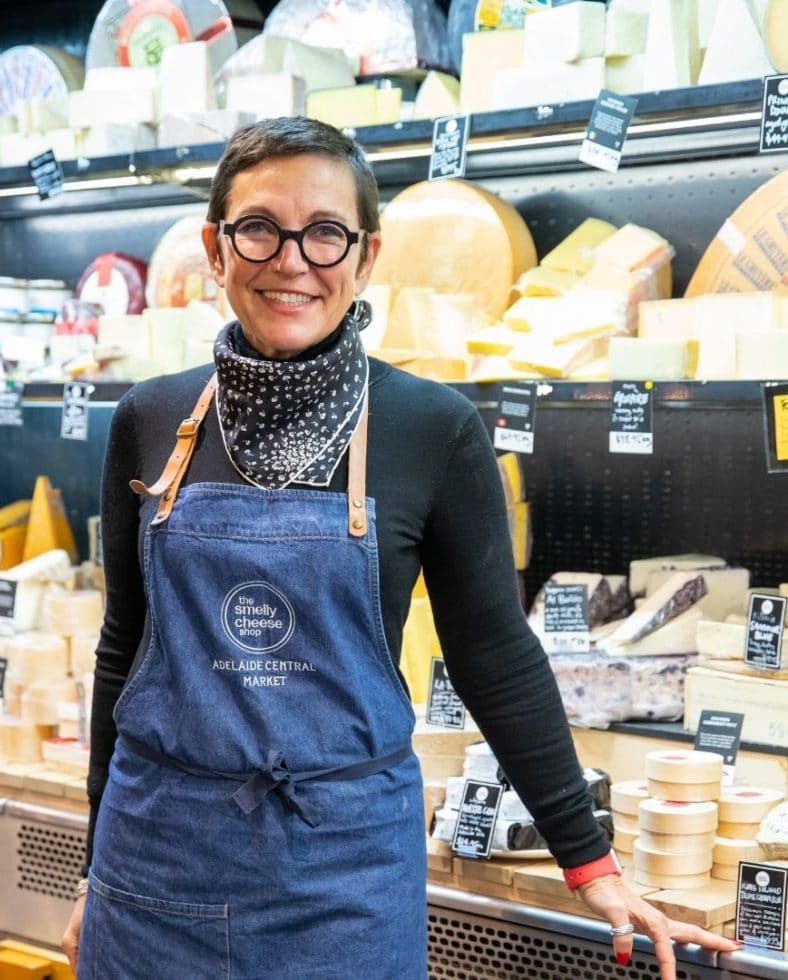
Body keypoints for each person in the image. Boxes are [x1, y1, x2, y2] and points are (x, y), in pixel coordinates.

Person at [62, 116, 740, 979]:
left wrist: (589, 860)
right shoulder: (150, 420)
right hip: (156, 856)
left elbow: (493, 651)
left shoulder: (433, 430)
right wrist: (95, 866)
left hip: (342, 871)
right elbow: (123, 650)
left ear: (366, 255)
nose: (292, 260)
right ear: (217, 247)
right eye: (261, 228)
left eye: (326, 233)